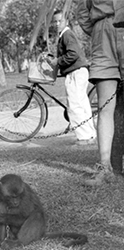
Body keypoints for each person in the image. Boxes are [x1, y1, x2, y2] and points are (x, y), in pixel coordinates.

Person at [77, 0, 123, 186]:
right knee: (105, 107)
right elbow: (82, 11)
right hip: (102, 36)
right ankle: (105, 168)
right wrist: (99, 30)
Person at [52, 10, 97, 145]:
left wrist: (57, 61)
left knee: (74, 105)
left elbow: (73, 54)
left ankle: (83, 137)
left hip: (76, 72)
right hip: (80, 71)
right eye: (55, 21)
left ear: (66, 21)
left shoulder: (67, 34)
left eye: (60, 21)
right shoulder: (65, 35)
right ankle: (89, 134)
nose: (57, 24)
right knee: (83, 104)